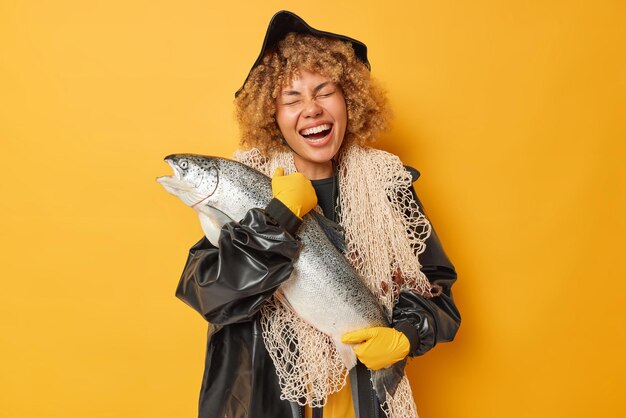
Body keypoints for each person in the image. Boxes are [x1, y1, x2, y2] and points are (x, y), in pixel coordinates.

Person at [175, 10, 460, 418]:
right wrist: (276, 217)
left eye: (324, 91)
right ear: (271, 115)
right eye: (291, 98)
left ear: (350, 100)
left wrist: (405, 335)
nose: (310, 108)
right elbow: (211, 294)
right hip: (266, 403)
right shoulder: (243, 189)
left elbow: (438, 293)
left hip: (362, 402)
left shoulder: (389, 186)